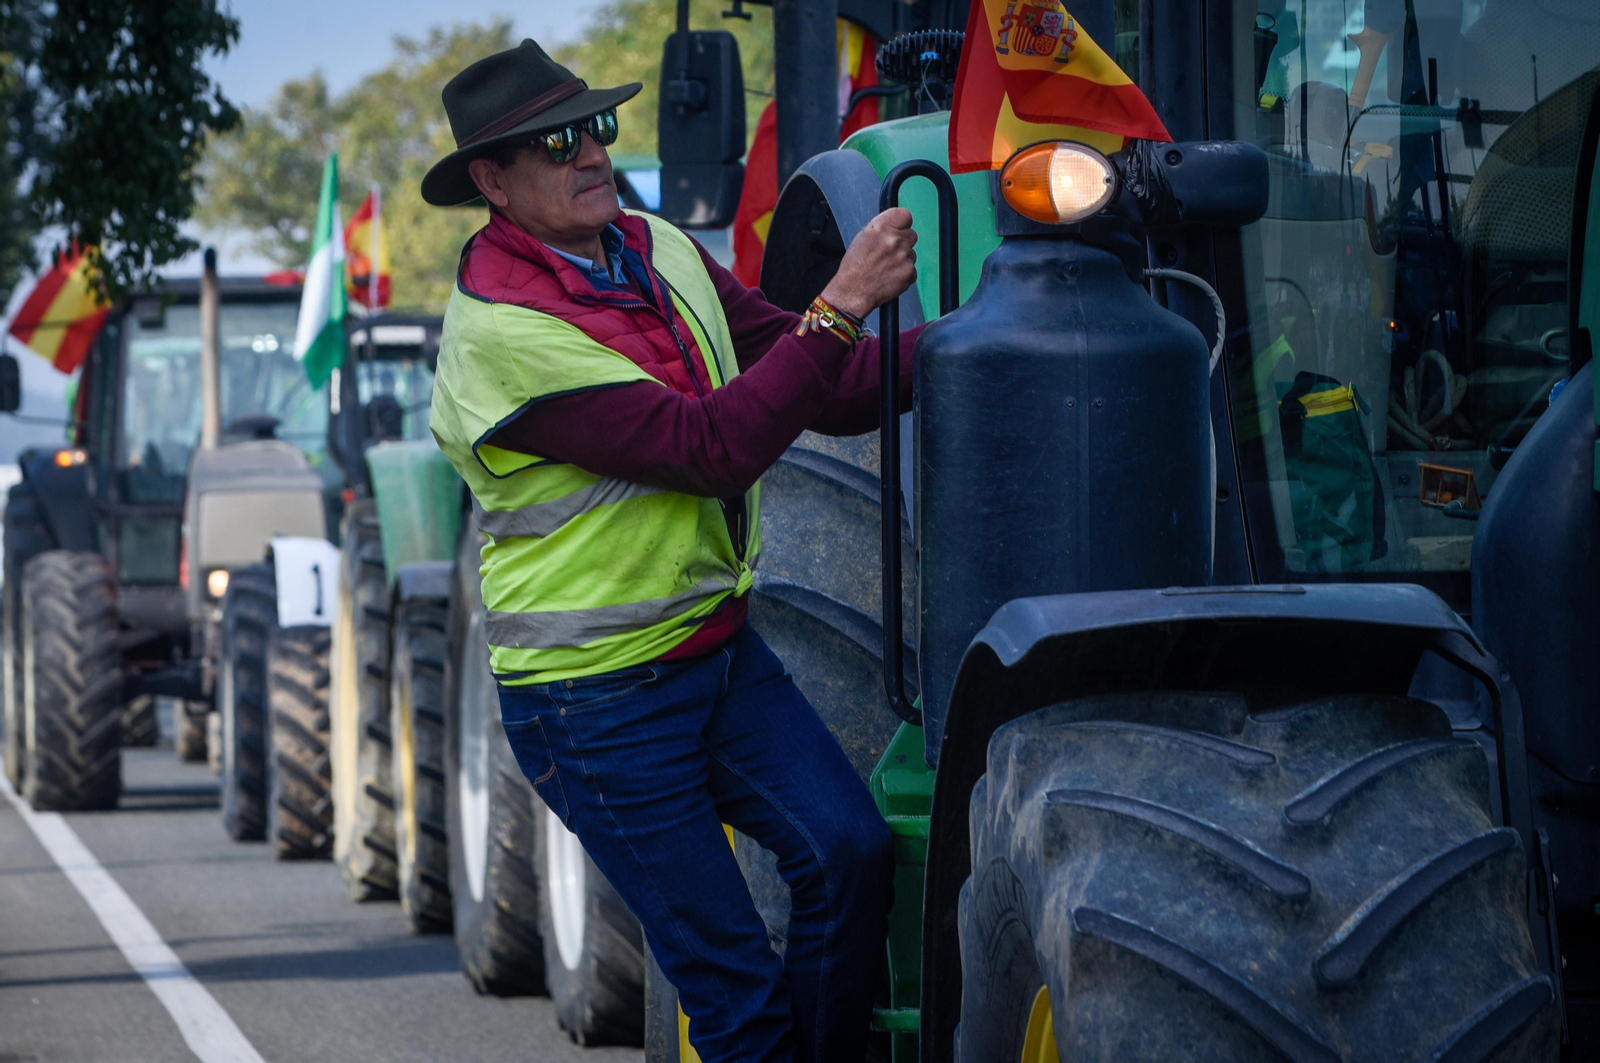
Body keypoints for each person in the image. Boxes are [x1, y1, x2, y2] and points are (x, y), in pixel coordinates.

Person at [423, 39, 923, 1063]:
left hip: (713, 650)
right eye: (558, 142)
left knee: (849, 852)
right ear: (491, 181)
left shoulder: (656, 247)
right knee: (735, 992)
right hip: (595, 701)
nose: (592, 153)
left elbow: (815, 379)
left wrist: (980, 340)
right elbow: (712, 448)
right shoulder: (498, 340)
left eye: (598, 126)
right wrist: (845, 300)